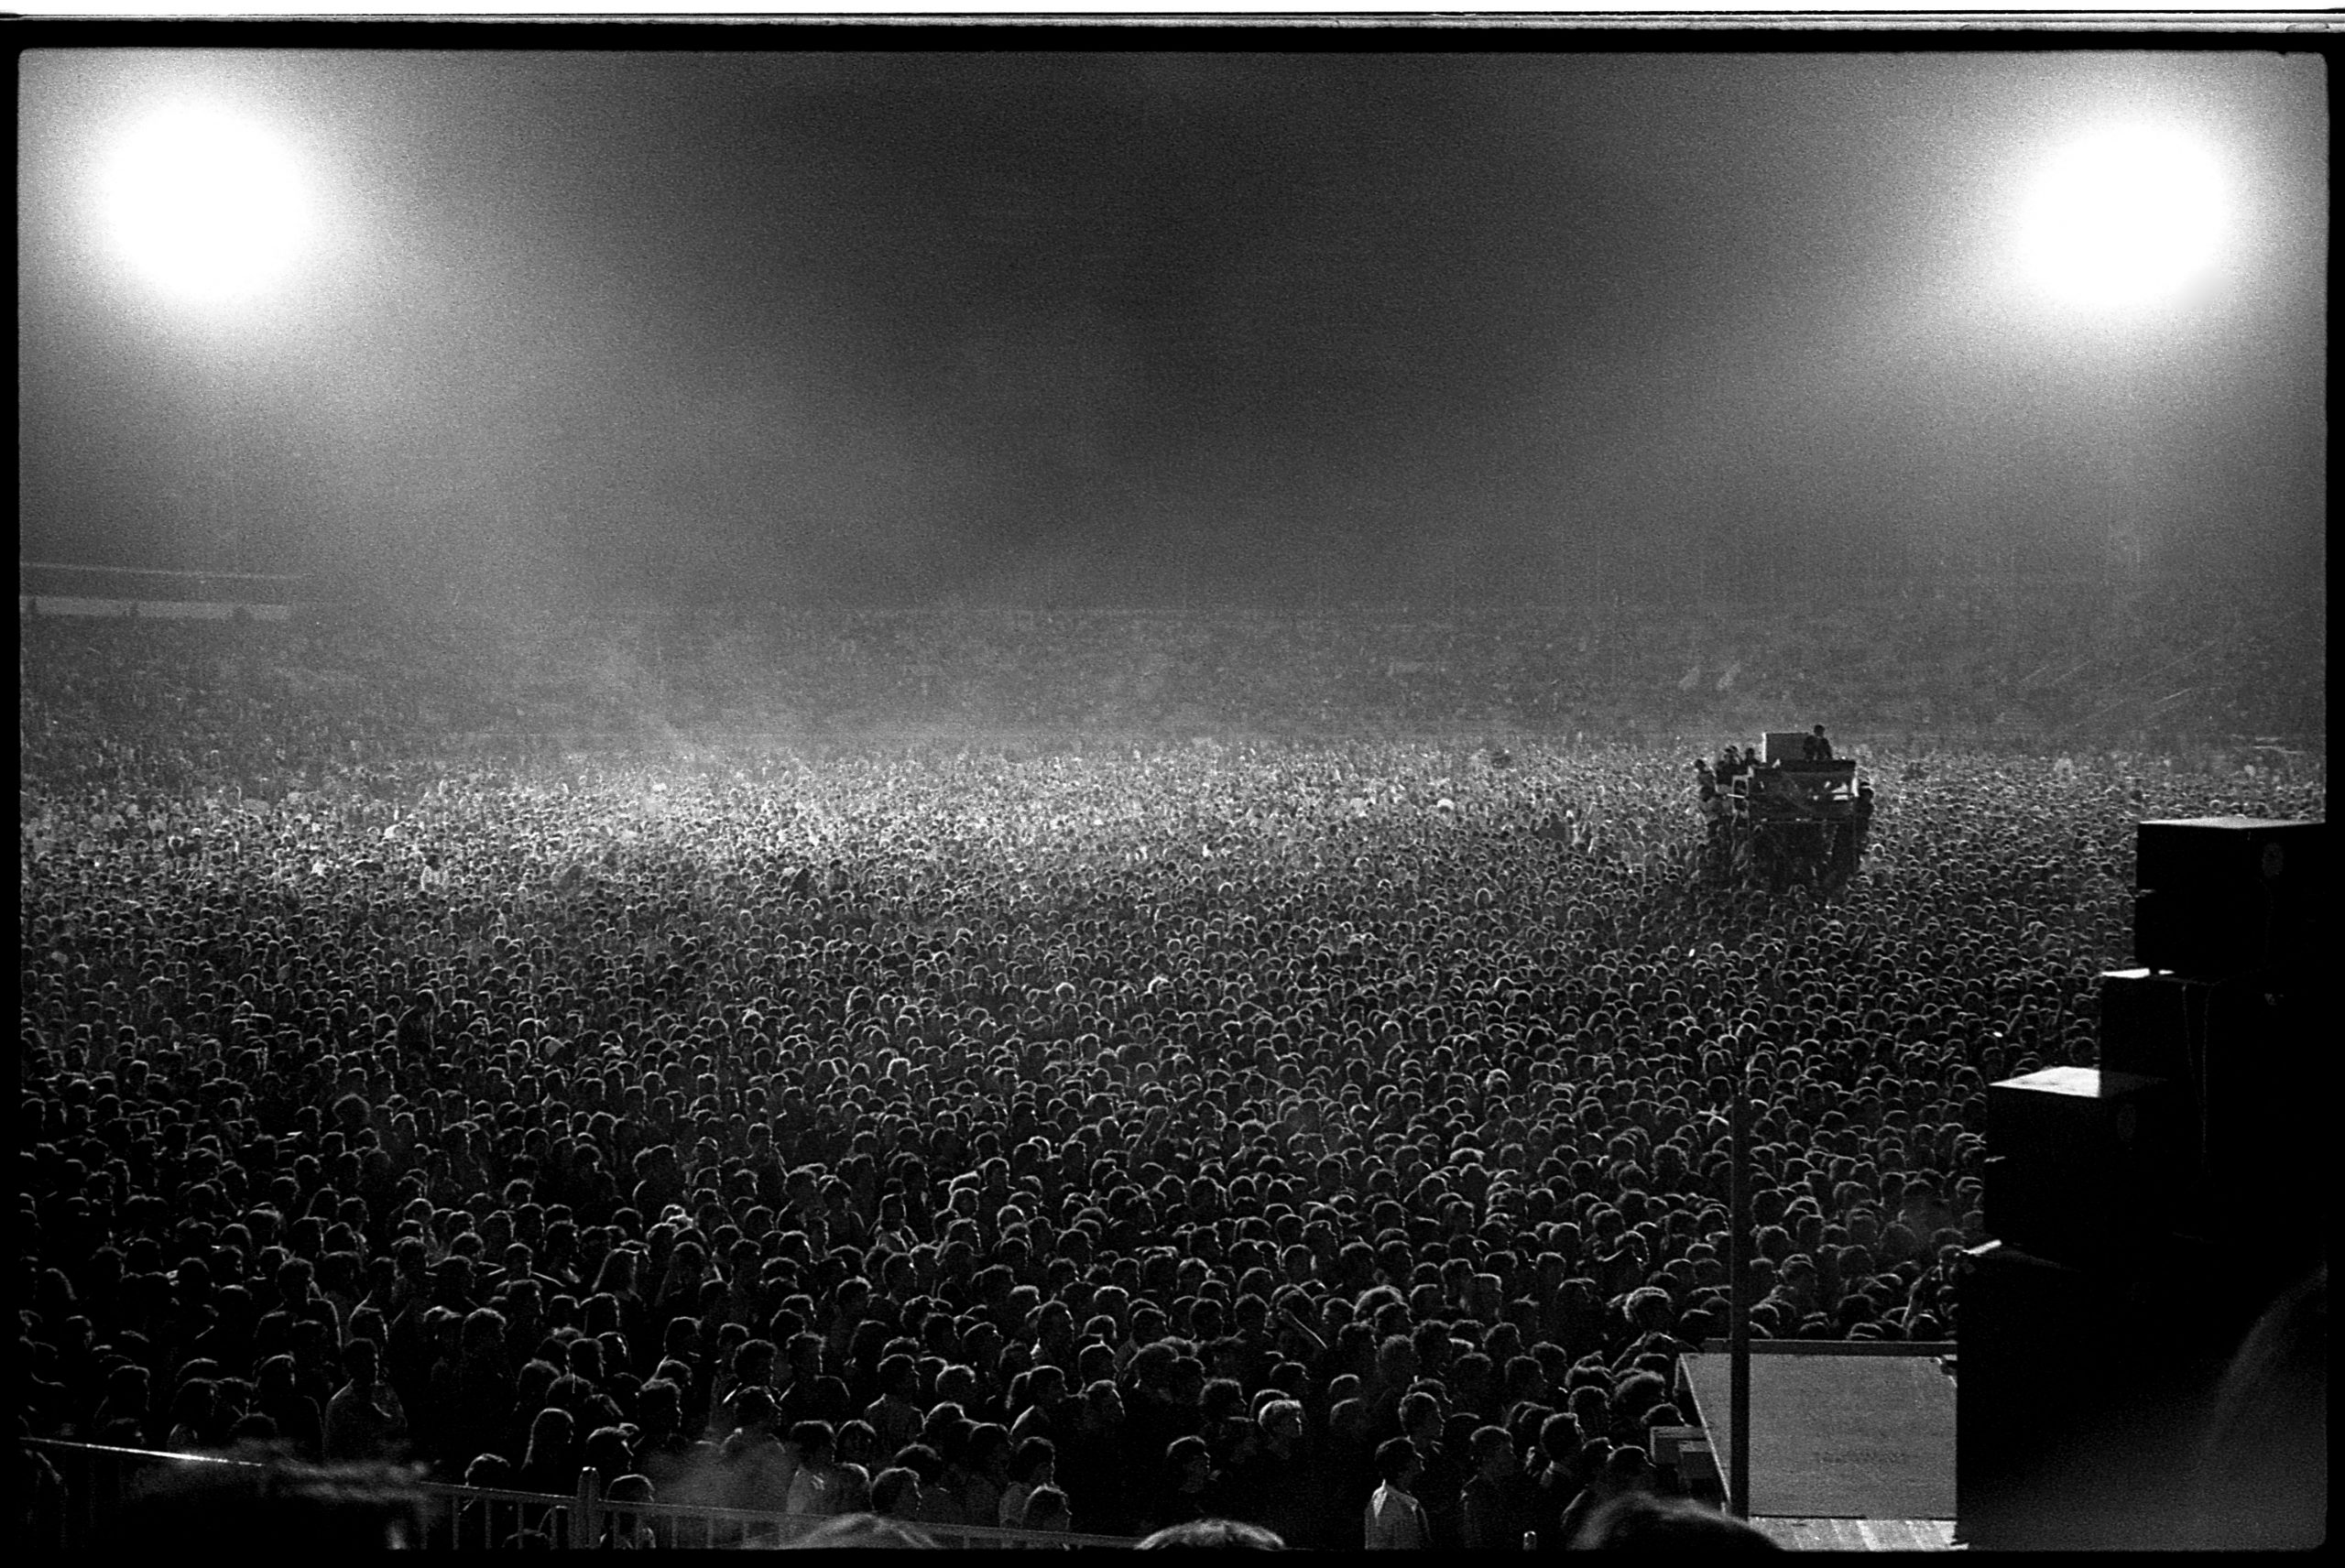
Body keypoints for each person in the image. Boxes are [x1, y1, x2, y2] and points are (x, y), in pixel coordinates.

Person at [1363, 1436, 1428, 1551]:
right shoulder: (1398, 1509)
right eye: (1413, 1455)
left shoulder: (1379, 1495)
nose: (1420, 1457)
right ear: (1402, 1464)